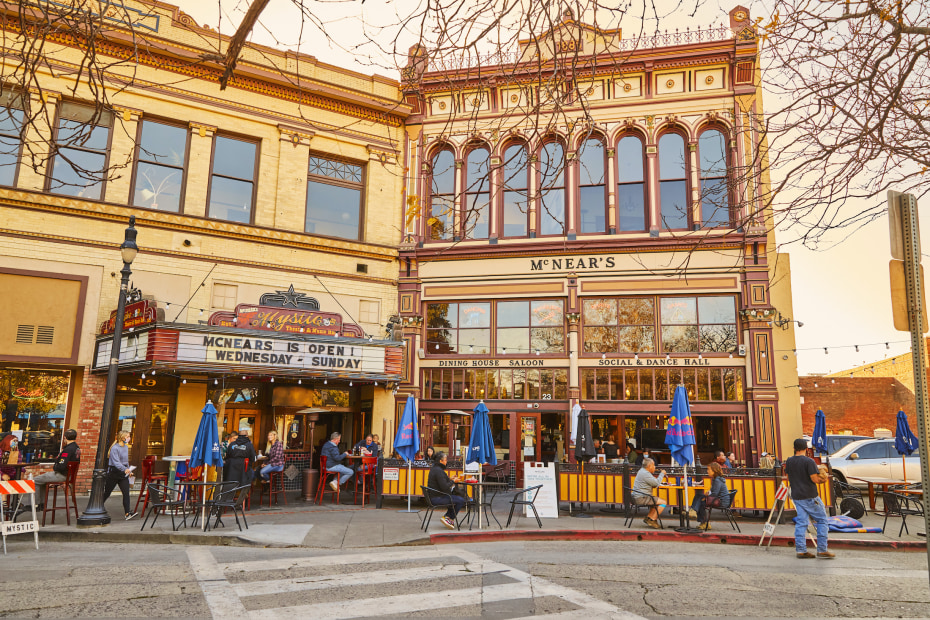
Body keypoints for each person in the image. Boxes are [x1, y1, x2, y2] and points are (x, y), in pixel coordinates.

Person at [786, 437, 834, 559]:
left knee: (801, 523)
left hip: (797, 495)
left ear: (794, 448)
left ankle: (801, 550)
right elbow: (814, 479)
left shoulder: (789, 461)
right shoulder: (809, 461)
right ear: (806, 448)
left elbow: (788, 476)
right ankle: (822, 549)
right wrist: (823, 478)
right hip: (810, 496)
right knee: (822, 520)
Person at [20, 428, 79, 514]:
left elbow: (61, 466)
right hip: (69, 475)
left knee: (34, 481)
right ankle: (41, 504)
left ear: (65, 437)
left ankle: (33, 504)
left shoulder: (68, 450)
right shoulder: (77, 448)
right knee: (42, 481)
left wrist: (55, 467)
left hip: (61, 475)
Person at [102, 430, 137, 520]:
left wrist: (129, 470)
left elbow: (125, 461)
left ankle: (127, 513)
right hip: (114, 472)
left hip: (123, 473)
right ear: (122, 437)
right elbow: (116, 463)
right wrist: (125, 469)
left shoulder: (125, 447)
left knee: (126, 493)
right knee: (107, 492)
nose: (129, 438)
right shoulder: (115, 448)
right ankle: (98, 506)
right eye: (128, 436)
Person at [426, 451, 464, 529]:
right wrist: (453, 481)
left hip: (434, 496)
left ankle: (447, 517)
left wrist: (450, 478)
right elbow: (444, 487)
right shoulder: (439, 471)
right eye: (445, 460)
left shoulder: (435, 469)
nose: (446, 462)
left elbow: (441, 481)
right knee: (460, 500)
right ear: (441, 461)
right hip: (437, 498)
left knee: (455, 497)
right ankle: (449, 517)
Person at [690, 461, 729, 530]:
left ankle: (703, 521)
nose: (707, 471)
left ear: (714, 471)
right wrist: (708, 493)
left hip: (721, 501)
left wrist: (707, 495)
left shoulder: (717, 480)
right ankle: (694, 511)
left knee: (701, 502)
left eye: (709, 470)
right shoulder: (716, 479)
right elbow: (713, 491)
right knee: (698, 496)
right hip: (718, 499)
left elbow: (715, 493)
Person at [632, 457, 666, 528]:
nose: (654, 467)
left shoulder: (643, 471)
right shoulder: (645, 474)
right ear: (649, 466)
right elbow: (656, 483)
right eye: (653, 465)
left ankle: (649, 518)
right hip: (642, 498)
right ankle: (652, 520)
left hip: (639, 496)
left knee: (656, 502)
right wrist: (662, 474)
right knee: (663, 502)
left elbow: (652, 483)